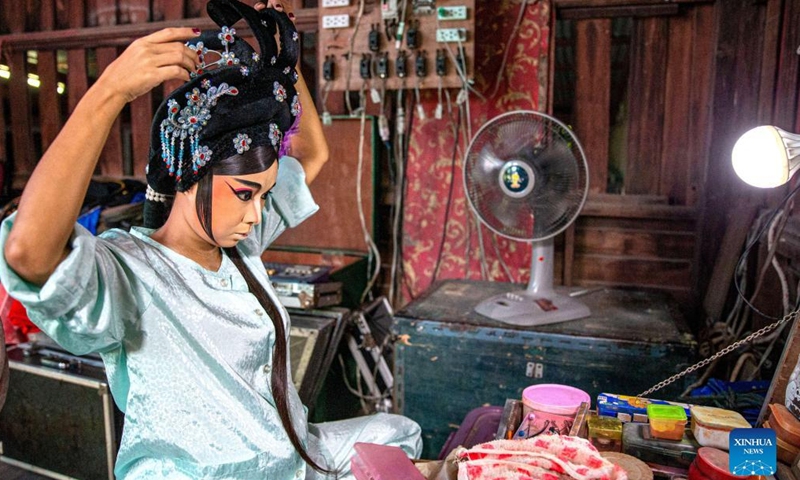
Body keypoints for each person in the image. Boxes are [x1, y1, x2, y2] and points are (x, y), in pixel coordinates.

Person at [0, 0, 422, 478]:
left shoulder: (238, 245)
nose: (257, 215)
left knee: (396, 435)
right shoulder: (129, 273)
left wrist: (280, 60)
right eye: (244, 194)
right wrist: (109, 93)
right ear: (188, 174)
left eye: (263, 195)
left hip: (287, 458)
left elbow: (310, 151)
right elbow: (27, 253)